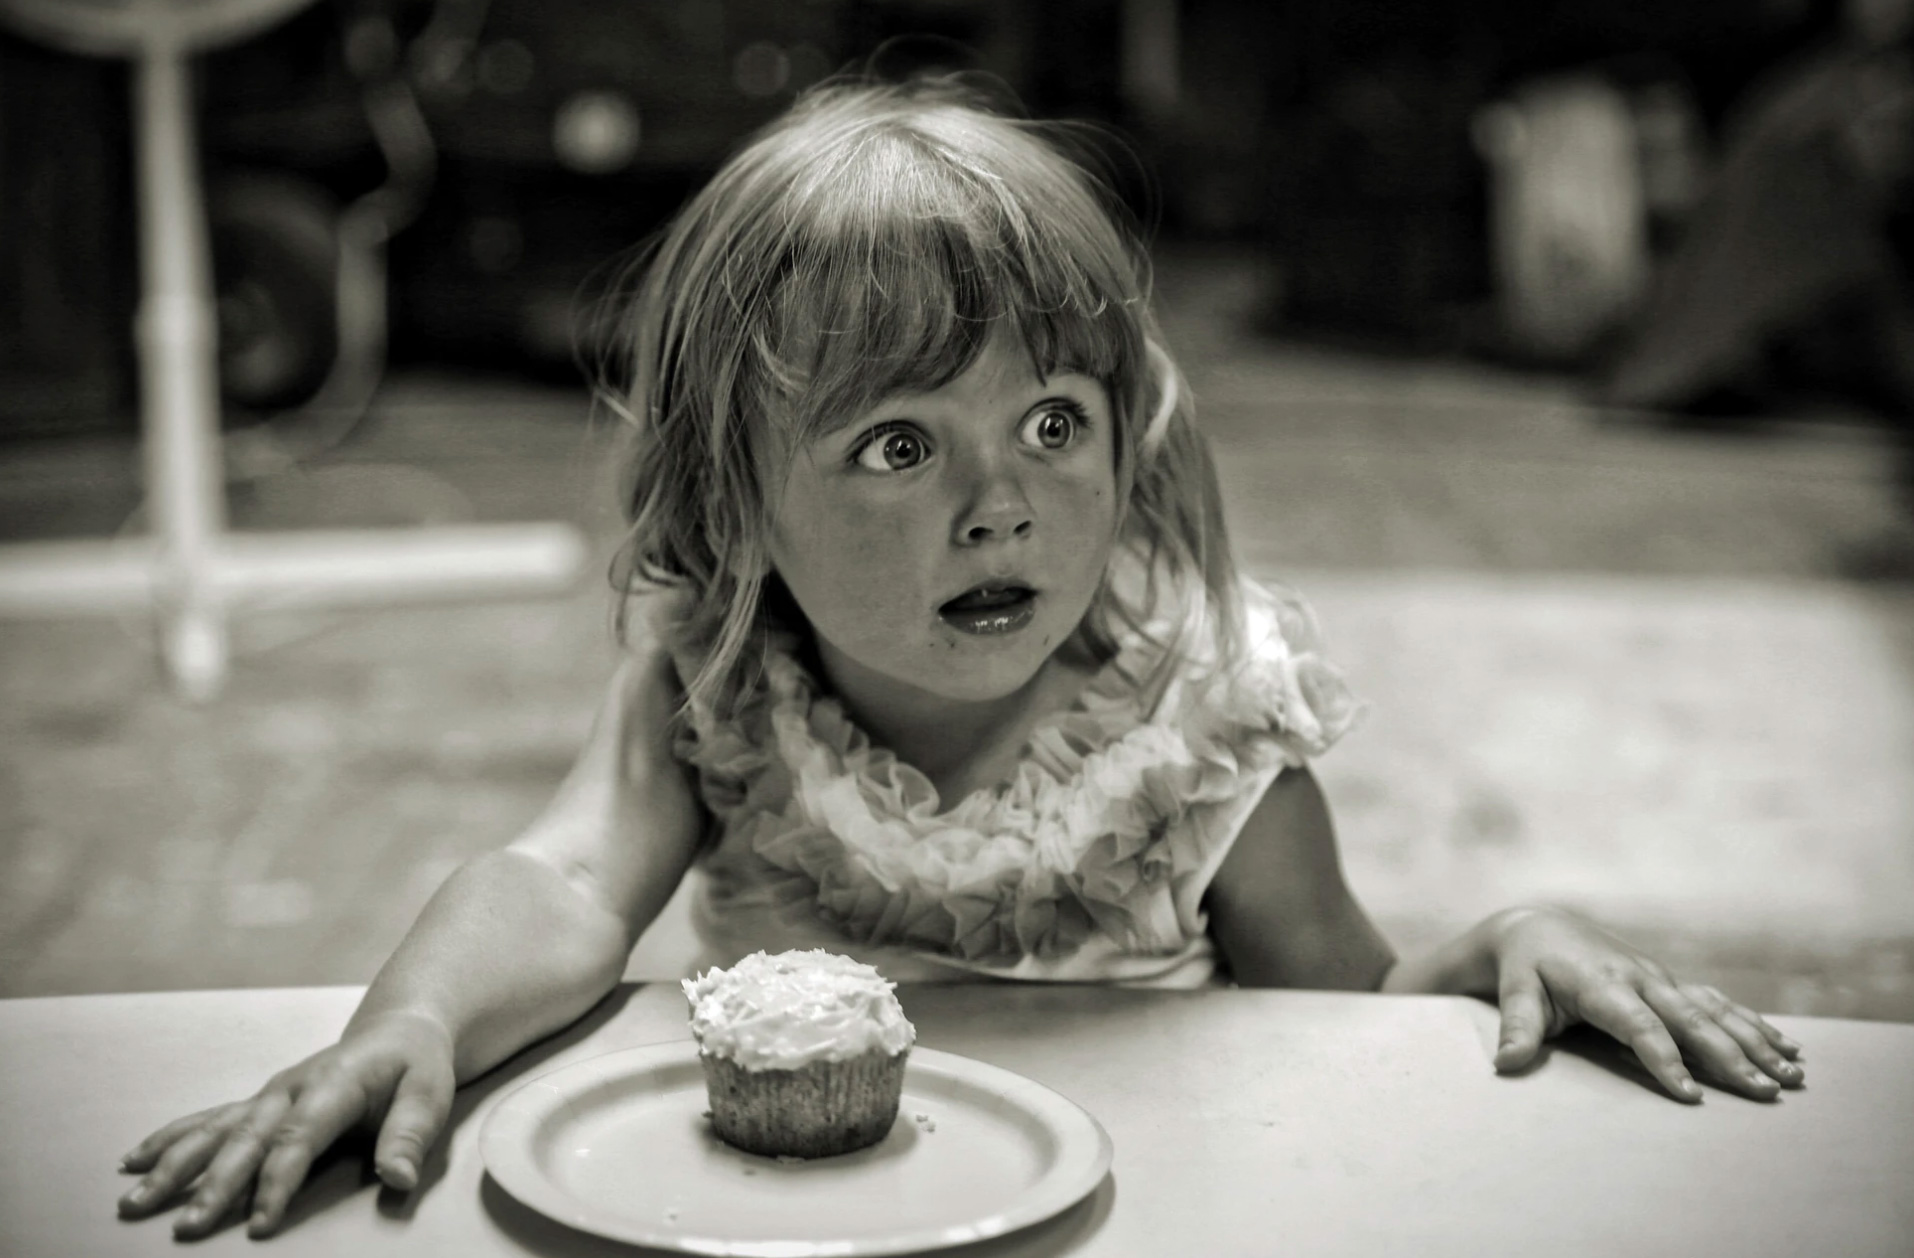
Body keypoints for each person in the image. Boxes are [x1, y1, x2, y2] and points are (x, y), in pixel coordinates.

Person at [116, 78, 1806, 1241]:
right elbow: (562, 881)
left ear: (1128, 438)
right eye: (896, 448)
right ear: (733, 498)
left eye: (1050, 423)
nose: (1000, 506)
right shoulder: (723, 685)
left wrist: (1504, 942)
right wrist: (408, 1019)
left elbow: (1342, 1027)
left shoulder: (1197, 726)